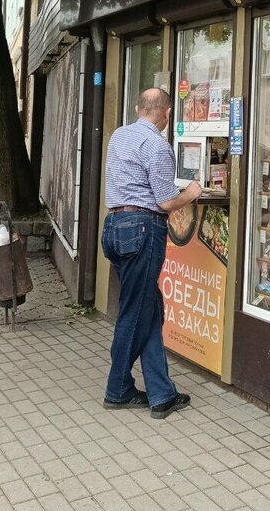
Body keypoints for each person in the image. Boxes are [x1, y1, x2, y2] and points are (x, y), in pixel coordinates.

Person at [102, 87, 202, 419]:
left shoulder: (119, 135)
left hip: (114, 228)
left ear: (137, 108)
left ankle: (161, 394)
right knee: (135, 313)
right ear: (167, 113)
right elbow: (166, 202)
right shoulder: (158, 146)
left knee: (149, 310)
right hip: (142, 231)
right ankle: (117, 389)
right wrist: (191, 192)